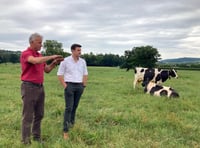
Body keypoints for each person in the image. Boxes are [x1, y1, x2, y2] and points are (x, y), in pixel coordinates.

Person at [20, 33, 63, 144]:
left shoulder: (40, 56)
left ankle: (36, 137)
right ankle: (25, 141)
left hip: (40, 87)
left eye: (41, 42)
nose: (41, 45)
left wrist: (54, 63)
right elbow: (34, 61)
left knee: (39, 114)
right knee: (28, 115)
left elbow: (47, 70)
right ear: (32, 42)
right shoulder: (26, 54)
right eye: (39, 42)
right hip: (29, 87)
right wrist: (51, 56)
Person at [57, 43, 88, 140]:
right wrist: (66, 86)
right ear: (73, 51)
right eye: (78, 50)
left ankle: (72, 124)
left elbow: (85, 73)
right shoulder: (65, 61)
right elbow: (60, 74)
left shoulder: (82, 62)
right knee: (69, 108)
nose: (80, 52)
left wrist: (83, 85)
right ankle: (65, 130)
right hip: (69, 85)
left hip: (79, 86)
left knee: (75, 107)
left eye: (80, 50)